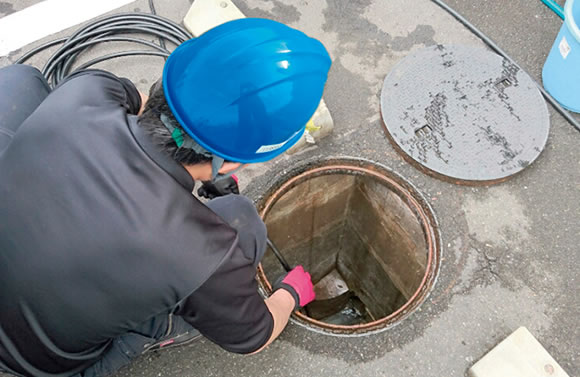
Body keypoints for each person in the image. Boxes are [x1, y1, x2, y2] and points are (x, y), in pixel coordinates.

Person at [0, 18, 331, 377]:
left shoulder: (87, 93)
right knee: (242, 220)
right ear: (234, 163)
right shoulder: (201, 251)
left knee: (18, 83)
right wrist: (291, 294)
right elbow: (256, 336)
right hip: (28, 366)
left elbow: (142, 106)